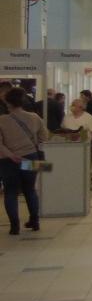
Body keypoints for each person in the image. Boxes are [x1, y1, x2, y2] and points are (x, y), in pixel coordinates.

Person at [0, 88, 50, 234]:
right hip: (30, 157)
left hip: (8, 161)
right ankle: (35, 221)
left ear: (7, 103)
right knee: (30, 189)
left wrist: (11, 155)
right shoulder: (34, 117)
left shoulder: (2, 120)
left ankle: (14, 226)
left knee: (10, 192)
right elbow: (44, 137)